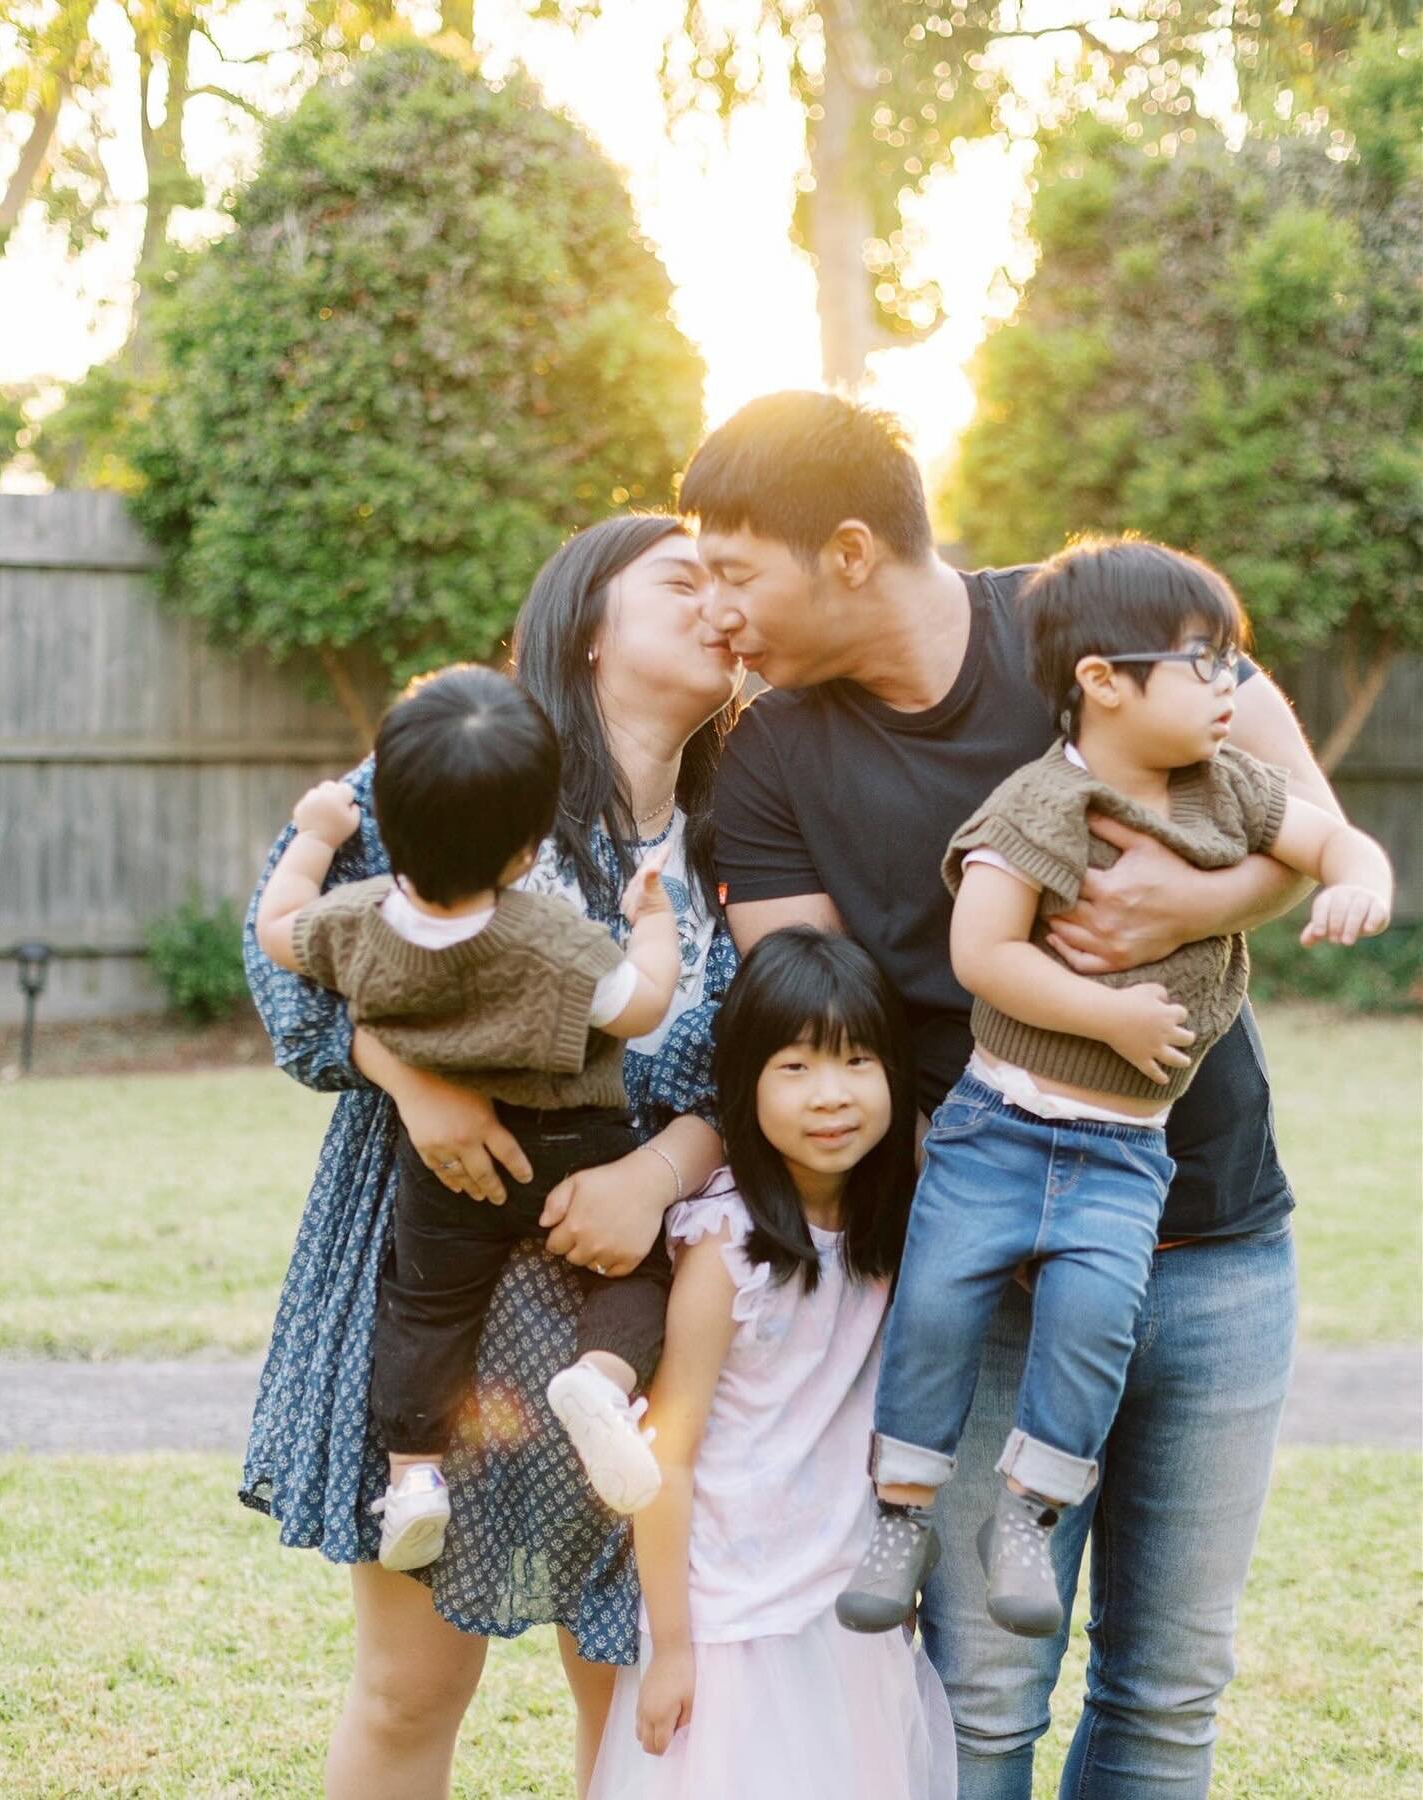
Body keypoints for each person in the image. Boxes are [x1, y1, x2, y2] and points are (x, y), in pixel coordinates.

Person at [686, 391, 1345, 1796]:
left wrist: (1200, 895)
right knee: (982, 1687)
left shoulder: (1094, 623)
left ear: (848, 551)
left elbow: (1310, 822)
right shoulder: (774, 758)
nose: (719, 616)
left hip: (1214, 1236)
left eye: (737, 572)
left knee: (1167, 1692)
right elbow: (818, 1015)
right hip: (979, 1255)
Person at [240, 515, 741, 1800]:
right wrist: (408, 1080)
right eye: (682, 583)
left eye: (730, 585)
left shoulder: (746, 826)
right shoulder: (470, 757)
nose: (719, 606)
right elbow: (288, 957)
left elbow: (775, 1066)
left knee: (628, 1681)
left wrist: (658, 1175)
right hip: (433, 1280)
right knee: (412, 1686)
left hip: (626, 1297)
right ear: (586, 623)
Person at [835, 537, 1391, 1641]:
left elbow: (1334, 838)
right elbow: (985, 953)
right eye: (1204, 661)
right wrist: (1110, 1016)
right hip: (999, 1132)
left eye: (1232, 659)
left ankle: (1029, 1516)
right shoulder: (1042, 806)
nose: (1232, 684)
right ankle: (902, 1513)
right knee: (940, 1310)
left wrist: (1361, 877)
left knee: (1092, 1326)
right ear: (1103, 681)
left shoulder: (1229, 793)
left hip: (1125, 1152)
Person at [255, 664, 689, 1568]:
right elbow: (644, 1005)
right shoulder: (550, 938)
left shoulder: (360, 919)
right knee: (640, 1277)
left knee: (423, 1308)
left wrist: (313, 833)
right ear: (530, 849)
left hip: (446, 1170)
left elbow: (276, 926)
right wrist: (651, 917)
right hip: (578, 1146)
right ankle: (601, 1382)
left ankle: (415, 1475)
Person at [589, 928, 956, 1800]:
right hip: (730, 1618)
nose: (831, 1096)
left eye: (857, 1062)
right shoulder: (728, 1249)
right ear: (744, 1083)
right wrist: (670, 1646)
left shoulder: (893, 1218)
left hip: (843, 1601)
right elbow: (664, 1457)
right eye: (794, 1068)